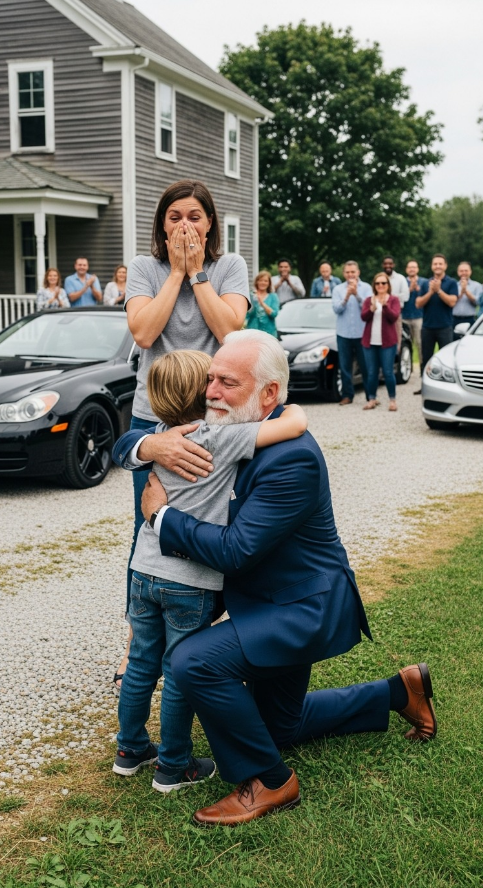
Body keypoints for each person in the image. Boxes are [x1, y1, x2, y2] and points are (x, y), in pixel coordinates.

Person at [119, 329, 437, 826]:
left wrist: (160, 518)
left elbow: (237, 550)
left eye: (228, 382)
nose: (211, 393)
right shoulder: (232, 427)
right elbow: (136, 437)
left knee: (190, 661)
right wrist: (151, 444)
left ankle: (270, 781)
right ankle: (398, 692)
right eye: (210, 380)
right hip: (266, 603)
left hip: (301, 610)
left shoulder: (292, 458)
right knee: (280, 725)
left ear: (269, 393)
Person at [112, 347, 307, 791]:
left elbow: (128, 450)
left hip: (143, 570)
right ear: (202, 393)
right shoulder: (220, 436)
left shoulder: (160, 437)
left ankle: (129, 749)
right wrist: (290, 404)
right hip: (190, 579)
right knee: (180, 670)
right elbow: (292, 425)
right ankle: (174, 764)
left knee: (141, 663)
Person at [113, 179, 249, 691]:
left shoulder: (228, 267)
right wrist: (174, 272)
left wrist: (197, 277)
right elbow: (144, 333)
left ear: (210, 222)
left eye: (194, 216)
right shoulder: (145, 268)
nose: (185, 225)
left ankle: (207, 630)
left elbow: (231, 331)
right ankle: (138, 636)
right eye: (175, 217)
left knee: (216, 514)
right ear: (161, 224)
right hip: (155, 413)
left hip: (218, 412)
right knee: (149, 521)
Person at [331, 261, 371, 405]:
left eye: (353, 272)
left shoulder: (366, 288)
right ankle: (348, 395)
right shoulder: (337, 289)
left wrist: (357, 295)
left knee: (366, 365)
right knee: (345, 366)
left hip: (362, 333)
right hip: (344, 333)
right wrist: (347, 296)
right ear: (344, 274)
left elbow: (368, 308)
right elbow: (336, 309)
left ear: (358, 272)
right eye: (347, 272)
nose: (350, 275)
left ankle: (370, 396)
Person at [361, 273, 401, 411]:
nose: (381, 286)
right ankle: (372, 399)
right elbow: (363, 317)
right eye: (378, 283)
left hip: (388, 342)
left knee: (388, 372)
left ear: (388, 285)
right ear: (374, 286)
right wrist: (371, 310)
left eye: (383, 283)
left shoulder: (394, 300)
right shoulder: (369, 300)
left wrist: (385, 307)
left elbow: (394, 317)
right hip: (370, 342)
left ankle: (392, 400)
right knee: (372, 372)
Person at [415, 254, 458, 376]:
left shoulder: (451, 283)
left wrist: (439, 291)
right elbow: (418, 303)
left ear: (445, 266)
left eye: (440, 264)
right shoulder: (425, 283)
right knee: (426, 358)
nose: (437, 266)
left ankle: (446, 387)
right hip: (428, 327)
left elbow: (452, 302)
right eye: (435, 264)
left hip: (445, 327)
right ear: (432, 266)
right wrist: (430, 292)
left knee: (446, 359)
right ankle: (425, 386)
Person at [403, 260, 426, 388]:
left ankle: (422, 370)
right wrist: (409, 290)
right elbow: (401, 298)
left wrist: (417, 290)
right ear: (407, 269)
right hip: (404, 317)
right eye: (410, 267)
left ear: (418, 269)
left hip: (419, 317)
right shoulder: (403, 282)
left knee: (420, 344)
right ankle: (408, 368)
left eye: (414, 267)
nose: (412, 269)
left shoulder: (423, 282)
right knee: (406, 344)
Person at [245, 271, 280, 337]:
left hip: (269, 333)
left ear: (269, 283)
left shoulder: (273, 296)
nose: (263, 283)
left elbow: (274, 314)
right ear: (257, 282)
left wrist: (262, 303)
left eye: (265, 281)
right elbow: (246, 315)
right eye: (260, 280)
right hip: (252, 332)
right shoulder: (251, 295)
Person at [453, 262, 480, 332]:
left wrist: (466, 291)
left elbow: (477, 302)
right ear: (458, 272)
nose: (463, 273)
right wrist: (461, 293)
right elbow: (451, 302)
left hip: (470, 319)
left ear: (470, 271)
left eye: (466, 271)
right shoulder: (453, 285)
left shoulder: (477, 286)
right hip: (454, 319)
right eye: (461, 271)